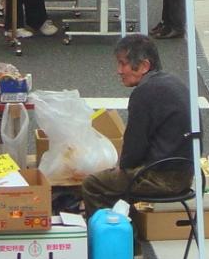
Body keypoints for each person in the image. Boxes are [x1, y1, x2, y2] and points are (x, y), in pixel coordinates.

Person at [80, 34, 193, 218]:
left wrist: (121, 167)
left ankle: (112, 233)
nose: (119, 71)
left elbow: (134, 147)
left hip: (161, 178)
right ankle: (128, 225)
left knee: (93, 184)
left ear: (144, 66)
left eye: (122, 64)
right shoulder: (173, 82)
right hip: (186, 172)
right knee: (116, 180)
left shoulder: (145, 93)